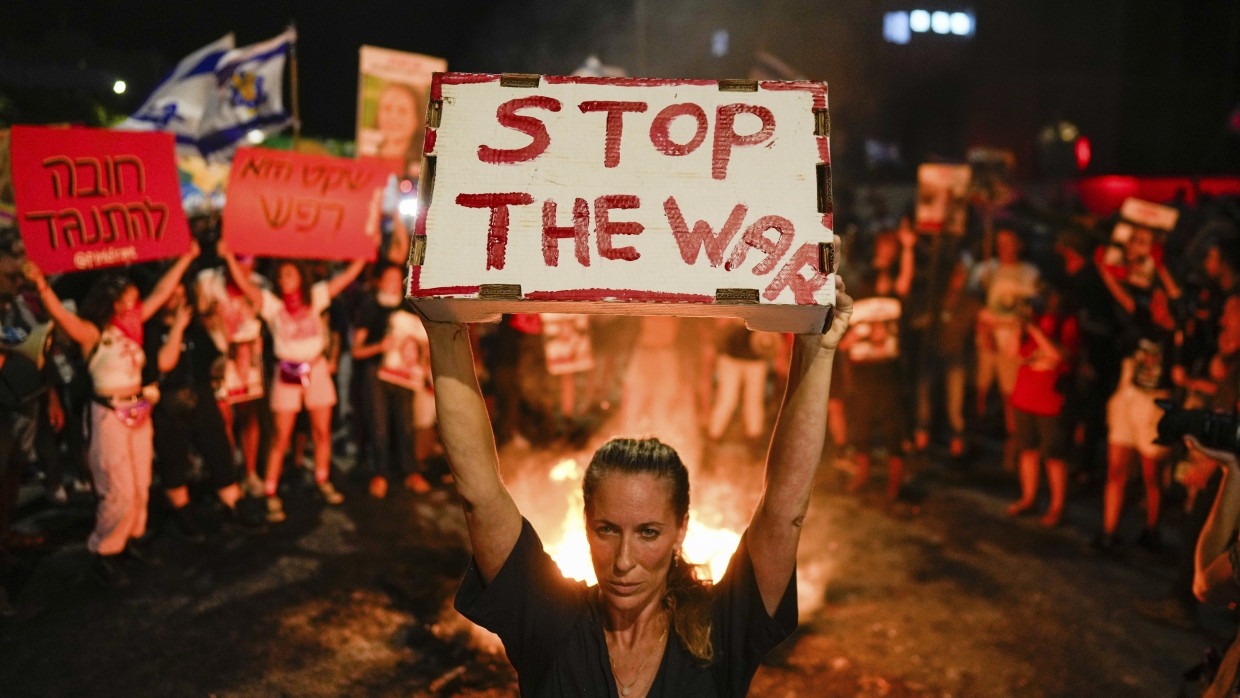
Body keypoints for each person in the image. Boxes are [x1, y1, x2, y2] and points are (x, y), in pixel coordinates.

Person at [423, 277, 852, 697]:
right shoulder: (550, 621)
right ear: (586, 524)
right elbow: (480, 496)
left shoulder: (718, 630)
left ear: (681, 529)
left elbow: (783, 511)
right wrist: (444, 333)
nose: (624, 561)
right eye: (608, 530)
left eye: (648, 532)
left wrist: (816, 349)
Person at [24, 244, 200, 586]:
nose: (136, 307)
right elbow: (62, 317)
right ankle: (104, 553)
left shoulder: (134, 328)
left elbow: (163, 291)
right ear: (113, 303)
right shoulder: (94, 335)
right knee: (116, 487)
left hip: (139, 412)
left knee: (139, 483)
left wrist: (186, 258)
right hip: (109, 414)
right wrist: (43, 287)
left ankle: (129, 538)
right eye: (130, 301)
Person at [218, 241, 371, 522]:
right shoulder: (272, 305)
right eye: (280, 275)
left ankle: (322, 479)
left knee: (321, 431)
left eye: (289, 274)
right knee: (280, 436)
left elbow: (346, 278)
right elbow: (244, 284)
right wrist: (229, 256)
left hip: (316, 370)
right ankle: (270, 490)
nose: (283, 279)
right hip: (286, 374)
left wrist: (363, 253)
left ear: (301, 275)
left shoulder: (316, 296)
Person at [145, 283, 259, 538]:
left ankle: (232, 502)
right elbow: (164, 363)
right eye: (171, 295)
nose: (177, 299)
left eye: (181, 295)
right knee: (173, 459)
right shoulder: (152, 330)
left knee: (218, 448)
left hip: (201, 396)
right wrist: (176, 329)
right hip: (170, 404)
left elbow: (213, 359)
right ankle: (182, 510)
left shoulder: (196, 327)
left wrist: (220, 337)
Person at [351, 263, 432, 498]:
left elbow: (422, 341)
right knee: (379, 425)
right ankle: (380, 474)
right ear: (379, 281)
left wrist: (424, 361)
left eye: (398, 280)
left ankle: (411, 472)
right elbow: (356, 350)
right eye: (388, 279)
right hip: (375, 374)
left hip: (405, 375)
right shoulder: (370, 306)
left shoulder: (409, 306)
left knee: (406, 423)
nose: (393, 284)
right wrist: (380, 347)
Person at [197, 254, 267, 496]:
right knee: (223, 418)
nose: (243, 264)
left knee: (249, 415)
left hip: (249, 360)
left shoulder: (259, 283)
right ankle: (228, 473)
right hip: (221, 359)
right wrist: (208, 314)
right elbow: (196, 315)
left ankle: (250, 472)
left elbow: (261, 305)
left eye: (248, 259)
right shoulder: (208, 281)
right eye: (238, 258)